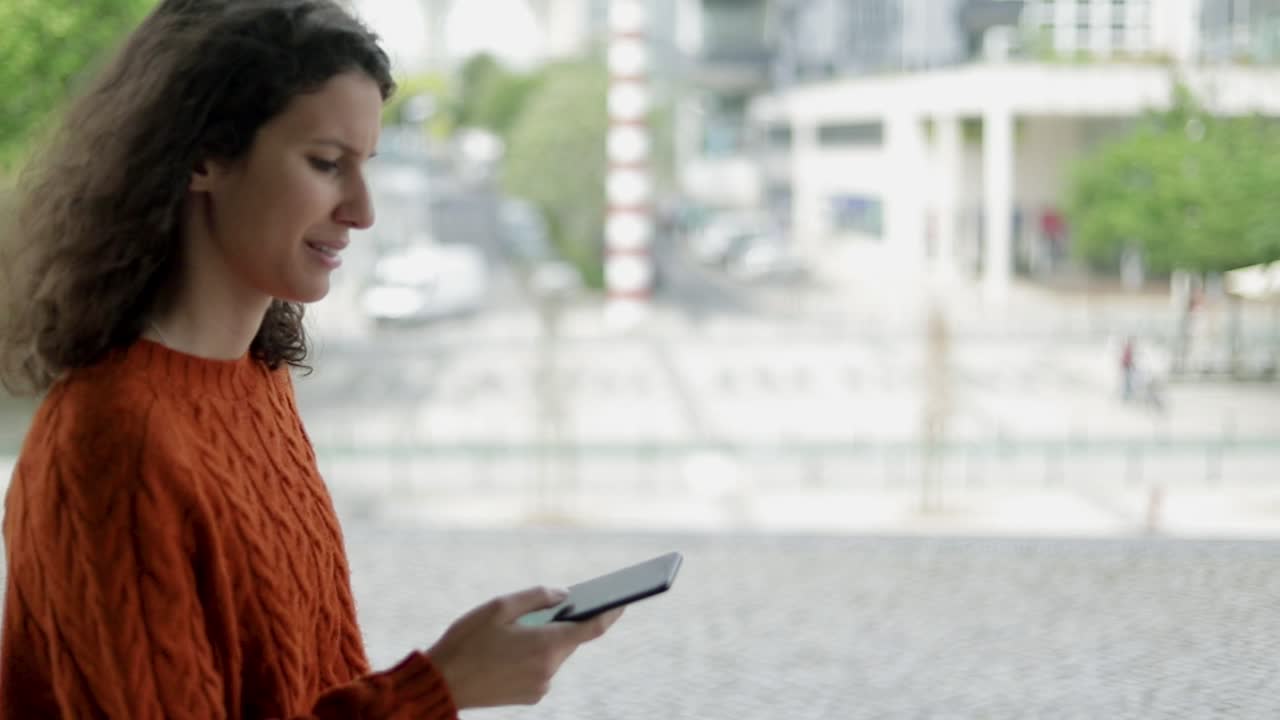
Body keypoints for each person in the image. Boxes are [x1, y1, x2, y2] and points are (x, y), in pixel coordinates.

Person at [0, 1, 620, 718]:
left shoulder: (257, 380)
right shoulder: (112, 440)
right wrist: (438, 689)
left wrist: (457, 677)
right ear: (203, 156)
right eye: (327, 164)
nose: (363, 209)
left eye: (366, 166)